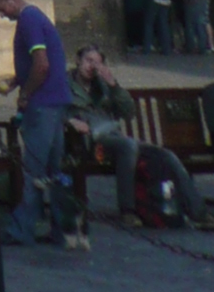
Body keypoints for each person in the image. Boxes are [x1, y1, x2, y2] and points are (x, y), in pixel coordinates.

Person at [67, 44, 199, 227]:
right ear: (78, 60)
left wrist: (114, 86)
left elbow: (129, 112)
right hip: (89, 142)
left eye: (97, 63)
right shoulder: (64, 83)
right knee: (128, 146)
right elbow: (51, 111)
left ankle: (199, 212)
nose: (92, 66)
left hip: (114, 137)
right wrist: (70, 121)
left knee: (166, 155)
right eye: (88, 61)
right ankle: (127, 211)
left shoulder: (104, 85)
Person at [0, 0, 76, 245]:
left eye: (0, 8)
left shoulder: (29, 20)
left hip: (43, 103)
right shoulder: (37, 17)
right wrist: (18, 79)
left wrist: (25, 94)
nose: (2, 15)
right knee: (54, 170)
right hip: (56, 100)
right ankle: (63, 229)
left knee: (33, 169)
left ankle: (21, 229)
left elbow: (42, 65)